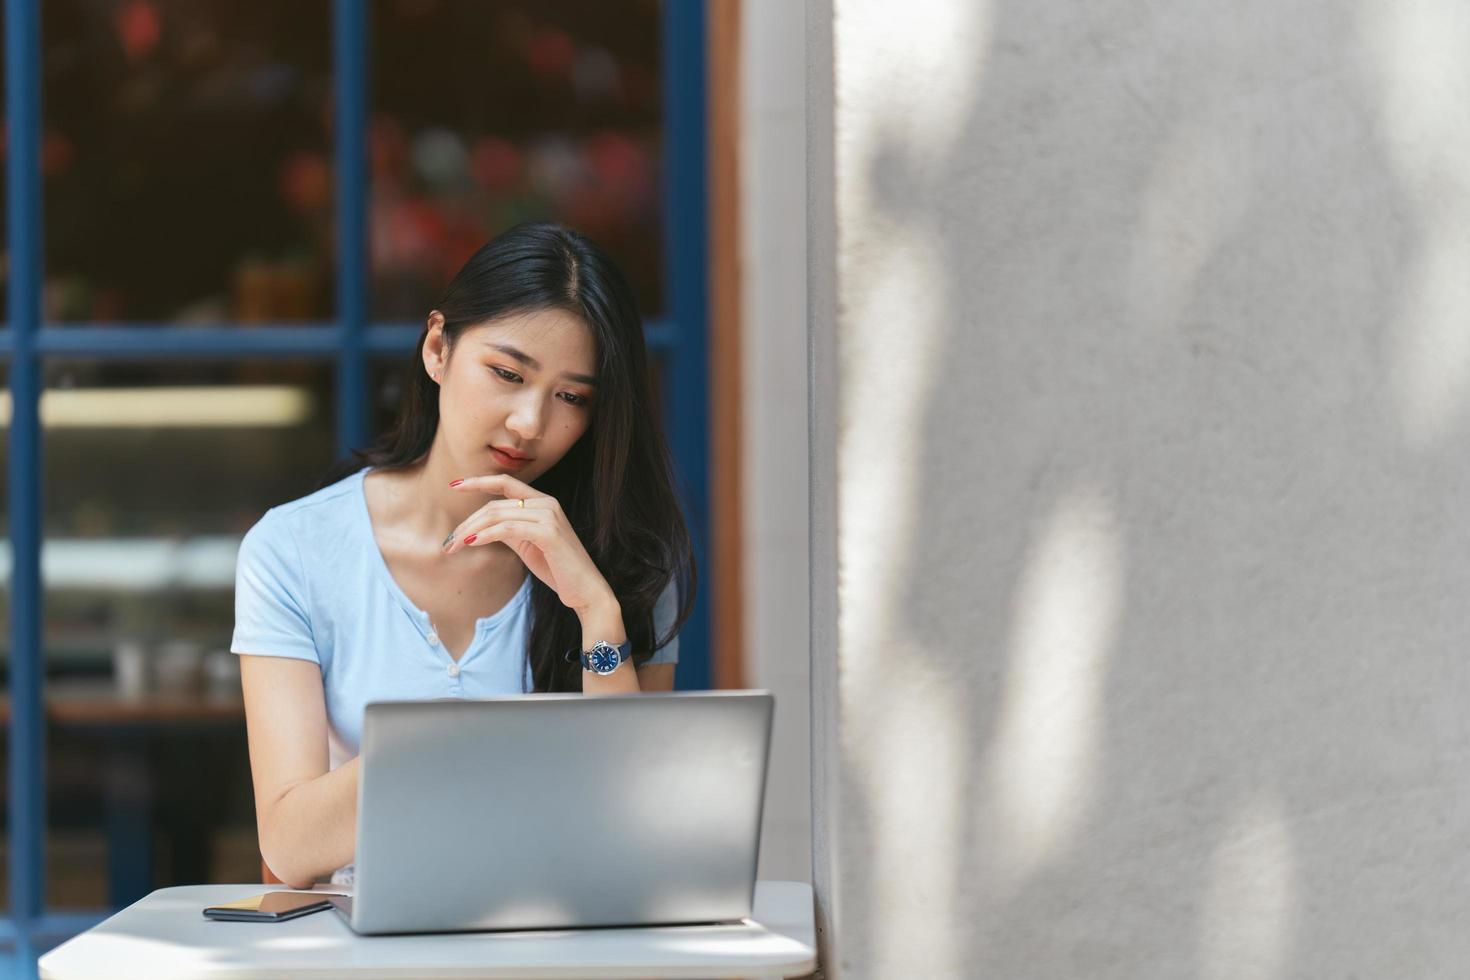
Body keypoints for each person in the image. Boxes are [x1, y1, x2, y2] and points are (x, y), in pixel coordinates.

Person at [231, 222, 696, 889]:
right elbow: (291, 847)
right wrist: (459, 736)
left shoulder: (626, 562)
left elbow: (633, 836)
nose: (530, 422)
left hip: (561, 948)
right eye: (508, 373)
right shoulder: (296, 550)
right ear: (437, 348)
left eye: (571, 397)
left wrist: (597, 613)